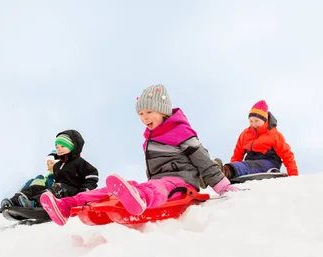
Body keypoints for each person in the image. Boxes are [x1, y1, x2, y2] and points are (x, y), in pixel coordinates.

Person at [39, 84, 240, 226]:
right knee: (121, 188)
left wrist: (223, 186)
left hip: (181, 183)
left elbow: (204, 161)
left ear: (162, 112)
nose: (144, 118)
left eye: (148, 112)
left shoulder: (182, 132)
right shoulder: (152, 137)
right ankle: (67, 205)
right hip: (158, 184)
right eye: (141, 114)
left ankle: (140, 199)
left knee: (156, 187)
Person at [0, 129, 99, 210]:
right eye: (57, 146)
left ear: (73, 147)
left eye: (62, 146)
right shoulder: (57, 165)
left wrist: (85, 190)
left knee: (56, 188)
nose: (58, 149)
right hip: (57, 189)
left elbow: (93, 175)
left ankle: (35, 204)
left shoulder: (79, 162)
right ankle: (14, 202)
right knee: (35, 188)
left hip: (73, 192)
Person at [217, 100, 299, 180]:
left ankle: (226, 171)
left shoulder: (274, 135)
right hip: (249, 163)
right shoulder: (245, 134)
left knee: (249, 165)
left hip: (269, 163)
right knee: (247, 165)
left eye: (256, 121)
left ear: (265, 120)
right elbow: (237, 154)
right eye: (251, 121)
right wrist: (233, 165)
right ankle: (216, 173)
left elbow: (287, 155)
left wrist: (293, 175)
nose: (253, 124)